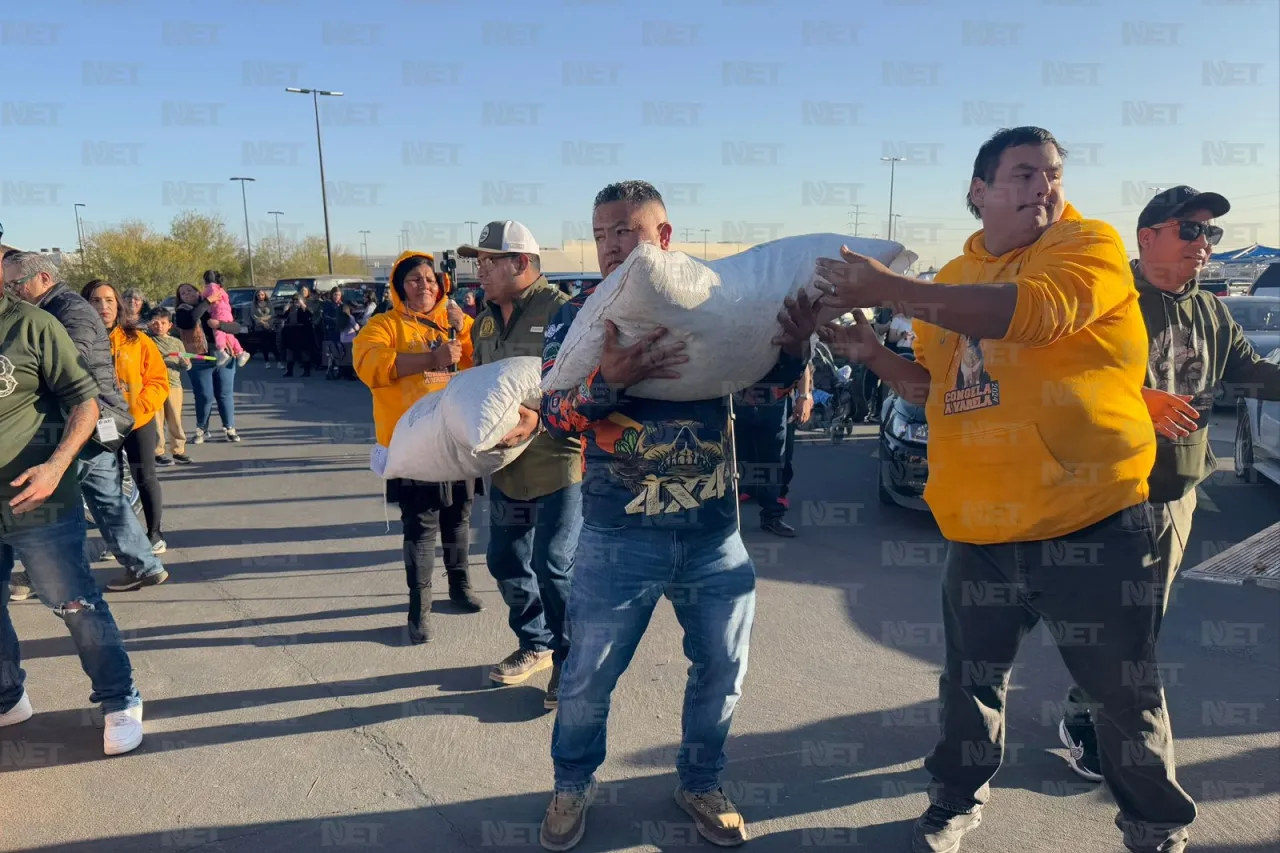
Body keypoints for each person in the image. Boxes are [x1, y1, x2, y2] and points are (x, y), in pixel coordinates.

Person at [817, 126, 1196, 853]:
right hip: (983, 531)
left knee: (1123, 696)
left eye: (1050, 174)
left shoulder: (1086, 247)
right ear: (978, 192)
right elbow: (939, 387)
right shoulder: (953, 276)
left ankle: (1155, 829)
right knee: (968, 687)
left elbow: (1033, 313)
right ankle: (954, 799)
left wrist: (891, 288)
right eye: (1022, 175)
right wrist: (871, 352)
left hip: (1092, 520)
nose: (1042, 187)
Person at [536, 181, 817, 851]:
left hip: (712, 537)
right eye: (601, 232)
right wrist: (612, 379)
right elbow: (552, 413)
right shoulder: (578, 315)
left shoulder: (713, 307)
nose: (611, 244)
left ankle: (701, 778)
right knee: (586, 679)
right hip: (616, 537)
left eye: (626, 231)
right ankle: (572, 784)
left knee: (722, 668)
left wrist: (795, 350)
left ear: (663, 237)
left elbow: (760, 392)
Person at [1058, 186, 1280, 783]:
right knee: (1118, 622)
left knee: (1142, 619)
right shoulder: (1108, 301)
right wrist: (1136, 400)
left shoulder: (1210, 311)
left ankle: (1092, 713)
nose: (1204, 245)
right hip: (1109, 490)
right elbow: (1061, 381)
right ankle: (1087, 722)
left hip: (1177, 492)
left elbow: (1250, 375)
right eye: (1191, 230)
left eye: (1211, 234)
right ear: (1147, 235)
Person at [0, 270, 145, 755]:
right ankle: (8, 697)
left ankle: (119, 699)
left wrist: (55, 466)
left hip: (39, 498)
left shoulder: (33, 325)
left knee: (74, 603)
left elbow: (86, 403)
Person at [459, 221, 581, 706]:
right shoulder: (483, 320)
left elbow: (586, 386)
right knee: (504, 559)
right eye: (479, 262)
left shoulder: (564, 313)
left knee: (553, 565)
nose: (480, 271)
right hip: (506, 465)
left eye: (489, 261)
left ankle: (572, 662)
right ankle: (537, 643)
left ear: (522, 263)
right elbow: (480, 387)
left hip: (559, 462)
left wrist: (539, 418)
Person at [1, 252, 168, 594]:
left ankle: (40, 576)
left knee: (46, 499)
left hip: (88, 420)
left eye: (16, 283)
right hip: (97, 421)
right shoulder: (58, 307)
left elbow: (65, 367)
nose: (13, 291)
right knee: (106, 497)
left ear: (44, 278)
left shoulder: (69, 311)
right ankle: (145, 565)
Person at [353, 251, 487, 645]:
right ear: (399, 287)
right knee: (421, 527)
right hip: (412, 444)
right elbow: (369, 365)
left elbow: (481, 365)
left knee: (460, 517)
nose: (424, 285)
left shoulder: (458, 321)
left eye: (430, 279)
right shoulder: (383, 325)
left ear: (442, 284)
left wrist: (465, 332)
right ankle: (419, 607)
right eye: (414, 279)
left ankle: (460, 586)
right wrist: (431, 358)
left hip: (458, 439)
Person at [83, 281, 170, 555]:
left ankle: (154, 533)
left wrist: (140, 408)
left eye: (109, 301)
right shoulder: (77, 340)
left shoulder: (137, 339)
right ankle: (120, 539)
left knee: (144, 476)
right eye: (96, 301)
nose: (103, 307)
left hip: (137, 421)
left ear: (118, 305)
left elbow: (158, 380)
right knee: (109, 484)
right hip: (99, 424)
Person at [174, 281, 241, 443]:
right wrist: (207, 301)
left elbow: (236, 327)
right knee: (204, 395)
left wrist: (221, 324)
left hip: (224, 355)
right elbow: (189, 321)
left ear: (198, 292)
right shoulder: (183, 311)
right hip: (199, 358)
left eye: (190, 290)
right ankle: (202, 429)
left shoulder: (217, 307)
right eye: (183, 293)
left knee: (224, 394)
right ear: (180, 298)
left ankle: (229, 428)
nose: (187, 294)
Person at [146, 309, 191, 466]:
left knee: (175, 419)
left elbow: (187, 364)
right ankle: (158, 452)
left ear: (170, 325)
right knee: (157, 421)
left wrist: (185, 363)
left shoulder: (177, 343)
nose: (159, 326)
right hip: (154, 385)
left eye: (163, 323)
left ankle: (178, 450)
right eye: (155, 323)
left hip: (174, 385)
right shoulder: (147, 341)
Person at [200, 270, 251, 368]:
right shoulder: (221, 289)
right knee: (228, 335)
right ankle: (240, 352)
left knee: (218, 331)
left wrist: (202, 298)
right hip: (227, 313)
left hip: (218, 312)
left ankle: (221, 351)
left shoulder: (210, 287)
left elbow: (208, 297)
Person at [280, 293, 314, 377]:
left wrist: (302, 305)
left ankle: (306, 371)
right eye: (294, 300)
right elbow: (284, 317)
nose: (295, 302)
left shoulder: (306, 308)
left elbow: (310, 314)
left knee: (304, 351)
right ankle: (289, 371)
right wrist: (286, 309)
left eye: (297, 300)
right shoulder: (291, 309)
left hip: (302, 332)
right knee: (289, 352)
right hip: (291, 332)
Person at [248, 289, 280, 368]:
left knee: (273, 345)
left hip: (270, 326)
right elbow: (253, 315)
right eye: (258, 295)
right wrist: (262, 322)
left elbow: (272, 314)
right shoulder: (254, 304)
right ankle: (267, 362)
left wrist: (267, 323)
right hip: (260, 327)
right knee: (264, 345)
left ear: (265, 295)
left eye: (262, 294)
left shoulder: (269, 303)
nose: (260, 296)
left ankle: (279, 362)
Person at [321, 287, 346, 379]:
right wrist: (334, 320)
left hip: (340, 330)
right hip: (331, 329)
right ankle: (331, 369)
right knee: (333, 350)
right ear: (332, 295)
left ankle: (339, 369)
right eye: (335, 295)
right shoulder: (328, 304)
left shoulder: (341, 304)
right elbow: (325, 316)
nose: (337, 297)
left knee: (341, 350)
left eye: (339, 295)